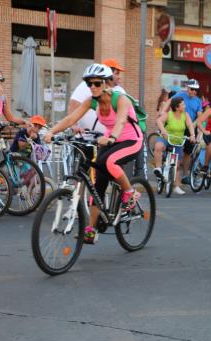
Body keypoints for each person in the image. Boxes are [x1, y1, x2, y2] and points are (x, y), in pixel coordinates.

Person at [44, 64, 143, 245]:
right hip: (108, 139)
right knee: (98, 185)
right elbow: (71, 118)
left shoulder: (120, 99)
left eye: (97, 83)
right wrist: (52, 132)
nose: (93, 87)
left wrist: (112, 137)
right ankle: (91, 230)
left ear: (106, 83)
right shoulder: (92, 100)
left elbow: (121, 121)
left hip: (131, 140)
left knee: (109, 162)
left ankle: (130, 192)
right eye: (89, 84)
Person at [68, 59, 127, 134]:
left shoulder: (120, 91)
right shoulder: (90, 85)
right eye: (117, 73)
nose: (119, 77)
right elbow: (74, 103)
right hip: (88, 136)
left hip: (113, 138)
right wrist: (73, 125)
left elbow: (123, 118)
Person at [154, 97, 196, 195]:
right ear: (177, 107)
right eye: (183, 104)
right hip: (167, 138)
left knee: (176, 166)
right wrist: (163, 130)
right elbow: (159, 121)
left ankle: (176, 186)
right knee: (158, 146)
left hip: (178, 141)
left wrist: (192, 135)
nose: (185, 106)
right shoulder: (168, 115)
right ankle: (159, 169)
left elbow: (190, 125)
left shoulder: (185, 115)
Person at [165, 79, 202, 182]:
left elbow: (199, 117)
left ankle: (185, 176)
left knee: (187, 153)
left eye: (196, 90)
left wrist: (196, 129)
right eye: (192, 89)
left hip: (190, 128)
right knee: (176, 149)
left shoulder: (198, 101)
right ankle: (170, 170)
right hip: (177, 125)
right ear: (187, 88)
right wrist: (163, 113)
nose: (194, 91)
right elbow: (168, 104)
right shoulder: (179, 95)